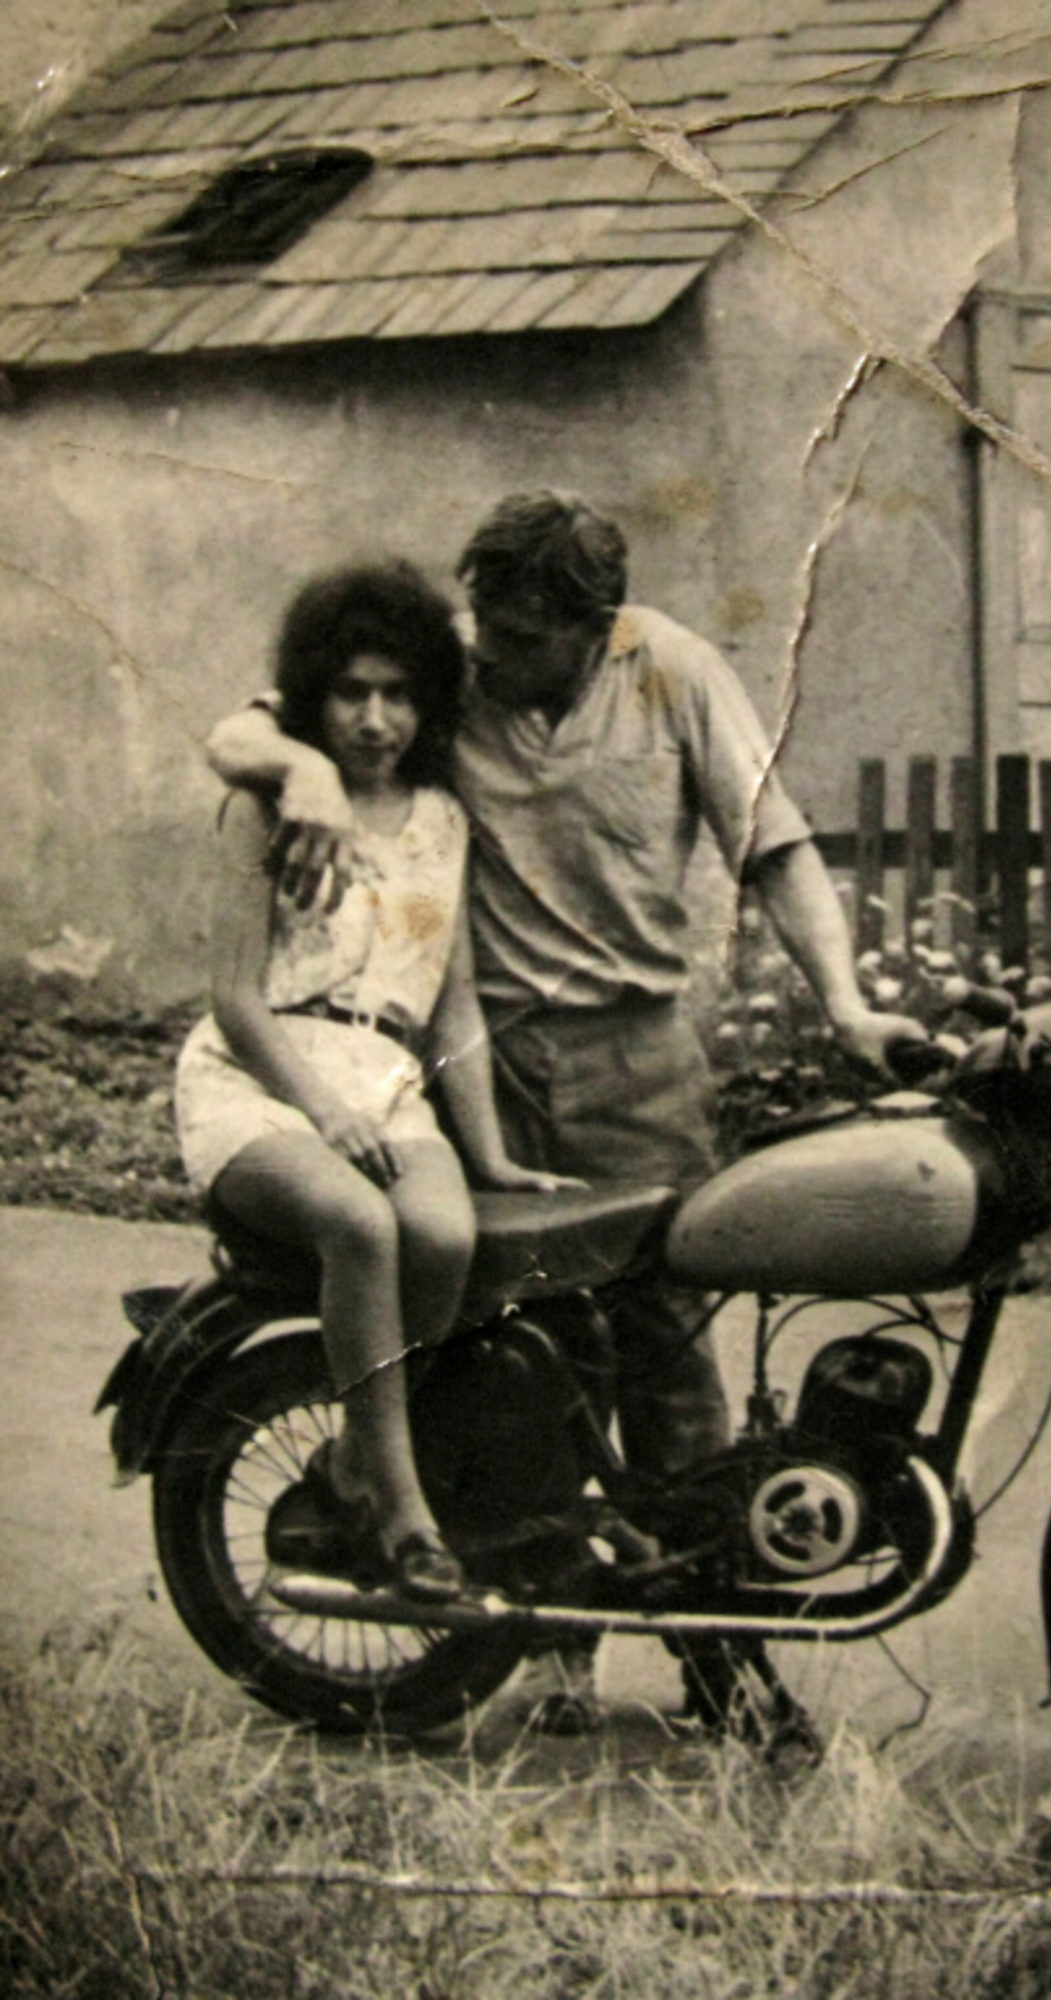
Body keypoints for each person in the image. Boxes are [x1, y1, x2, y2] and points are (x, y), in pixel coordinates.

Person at [206, 493, 925, 1722]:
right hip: (471, 1066)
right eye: (483, 623)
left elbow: (773, 846)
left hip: (636, 1063)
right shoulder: (451, 669)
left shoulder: (675, 675)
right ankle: (553, 1657)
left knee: (667, 1355)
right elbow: (243, 729)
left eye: (525, 636)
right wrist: (305, 769)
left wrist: (848, 1004)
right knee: (525, 1368)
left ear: (598, 631)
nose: (490, 653)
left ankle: (718, 1661)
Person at [179, 559, 572, 1604]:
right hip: (260, 1080)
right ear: (314, 695)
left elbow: (455, 1003)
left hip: (389, 1081)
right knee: (360, 1223)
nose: (374, 718)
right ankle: (405, 1518)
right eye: (351, 692)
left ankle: (353, 1463)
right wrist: (319, 1109)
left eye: (398, 694)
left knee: (443, 1235)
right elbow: (235, 998)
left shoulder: (443, 821)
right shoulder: (264, 807)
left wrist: (491, 1157)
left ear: (427, 702)